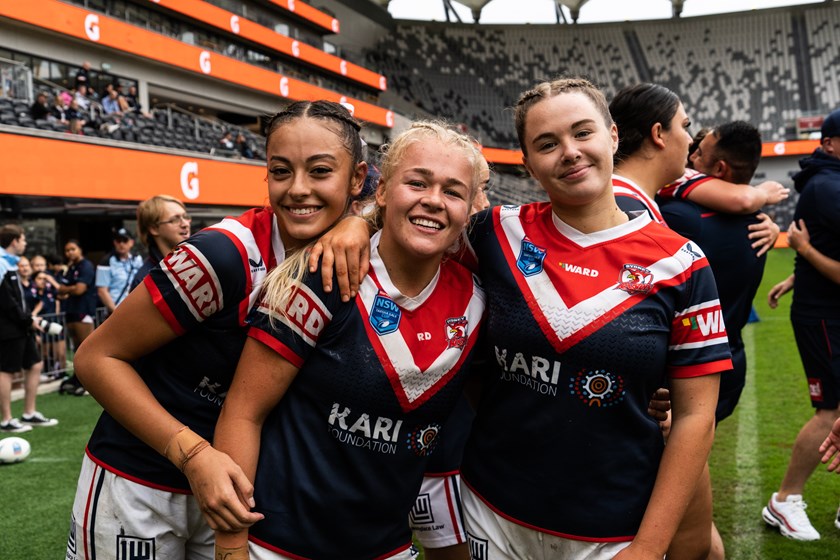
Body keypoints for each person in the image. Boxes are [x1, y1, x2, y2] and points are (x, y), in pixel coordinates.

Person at [318, 77, 731, 560]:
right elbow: (418, 220)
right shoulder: (493, 234)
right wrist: (355, 220)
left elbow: (696, 417)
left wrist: (648, 547)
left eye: (583, 133)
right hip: (491, 513)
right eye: (547, 144)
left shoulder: (683, 264)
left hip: (613, 530)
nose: (570, 153)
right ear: (528, 162)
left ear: (613, 137)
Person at [66, 100, 368, 560]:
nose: (298, 190)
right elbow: (94, 358)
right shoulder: (222, 257)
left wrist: (361, 221)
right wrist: (193, 454)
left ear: (357, 179)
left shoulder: (358, 250)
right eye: (281, 171)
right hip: (142, 480)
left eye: (320, 171)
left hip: (243, 492)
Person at [760, 107, 840, 542]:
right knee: (830, 411)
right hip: (824, 316)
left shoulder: (830, 181)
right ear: (828, 144)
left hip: (827, 305)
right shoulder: (828, 185)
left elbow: (823, 241)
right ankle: (785, 501)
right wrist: (805, 259)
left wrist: (798, 270)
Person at [610, 83, 787, 258]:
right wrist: (763, 194)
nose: (690, 141)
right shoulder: (624, 208)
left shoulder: (624, 202)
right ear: (658, 134)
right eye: (685, 126)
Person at [0, 225, 57, 433]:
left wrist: (29, 319)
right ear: (14, 241)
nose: (25, 243)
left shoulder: (11, 264)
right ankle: (6, 419)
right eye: (23, 240)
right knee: (6, 371)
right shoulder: (1, 263)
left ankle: (29, 413)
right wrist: (27, 319)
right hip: (8, 328)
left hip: (21, 326)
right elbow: (6, 301)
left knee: (35, 364)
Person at [52, 240, 97, 396]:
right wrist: (69, 289)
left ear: (80, 250)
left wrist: (67, 289)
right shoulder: (70, 268)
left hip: (83, 312)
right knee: (77, 350)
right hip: (71, 311)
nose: (69, 253)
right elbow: (59, 291)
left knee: (87, 349)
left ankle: (92, 383)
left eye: (73, 249)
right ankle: (79, 380)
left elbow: (79, 289)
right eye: (67, 250)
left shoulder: (86, 266)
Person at [131, 195, 192, 290]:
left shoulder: (198, 263)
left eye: (185, 217)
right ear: (154, 229)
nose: (185, 224)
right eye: (175, 219)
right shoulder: (144, 281)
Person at [95, 227, 143, 316]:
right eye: (118, 241)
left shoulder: (137, 259)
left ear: (131, 242)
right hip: (116, 311)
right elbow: (102, 291)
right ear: (114, 243)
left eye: (125, 240)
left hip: (136, 309)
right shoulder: (106, 261)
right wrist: (116, 312)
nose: (121, 244)